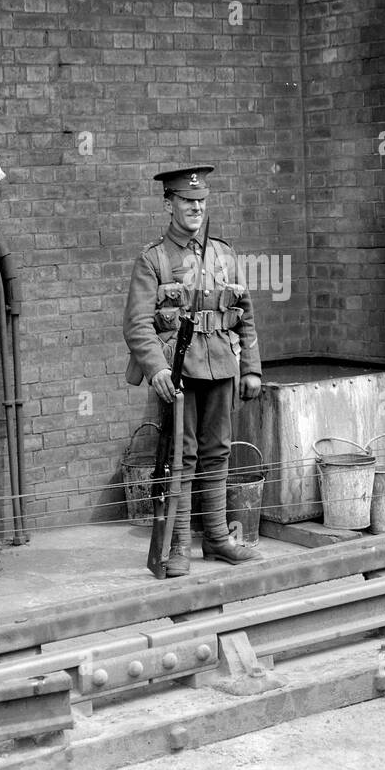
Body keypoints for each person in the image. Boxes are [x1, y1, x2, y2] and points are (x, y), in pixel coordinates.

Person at [124, 165, 262, 577]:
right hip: (178, 372)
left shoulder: (224, 254)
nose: (196, 208)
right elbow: (137, 325)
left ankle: (218, 539)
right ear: (170, 204)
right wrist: (156, 370)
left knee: (218, 452)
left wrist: (252, 368)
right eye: (187, 201)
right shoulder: (154, 260)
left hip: (222, 364)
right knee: (181, 459)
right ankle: (180, 543)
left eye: (201, 202)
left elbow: (245, 314)